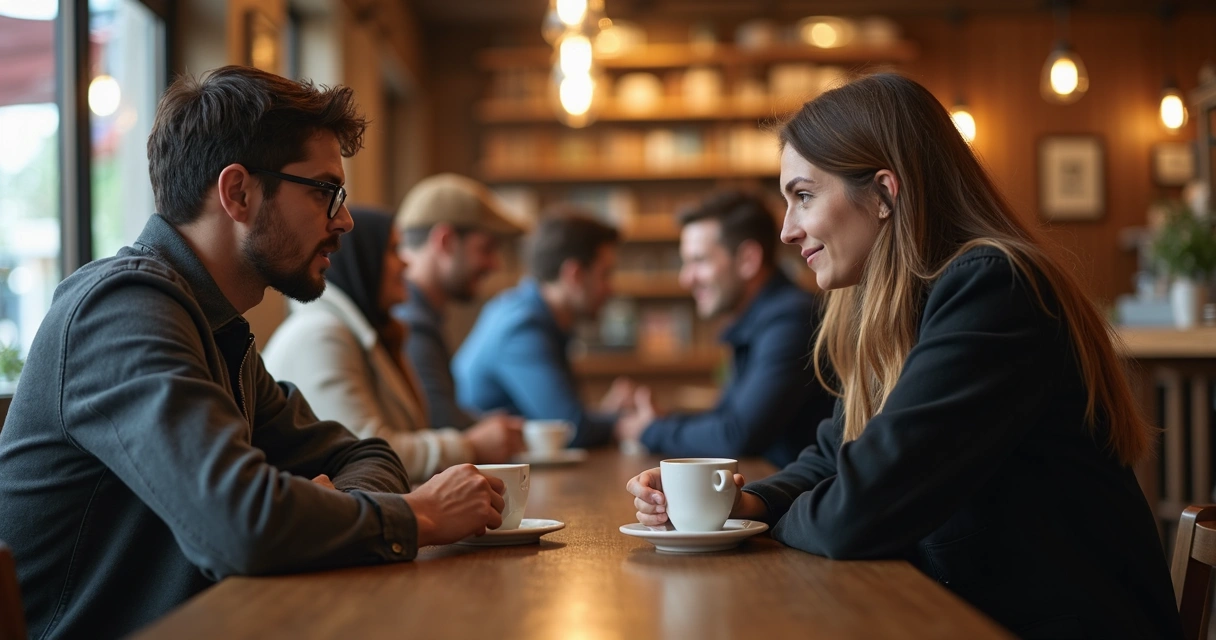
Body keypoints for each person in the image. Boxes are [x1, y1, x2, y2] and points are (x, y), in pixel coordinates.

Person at [625, 73, 1182, 638]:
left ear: (885, 193)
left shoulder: (993, 287)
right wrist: (741, 506)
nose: (788, 230)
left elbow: (856, 513)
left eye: (804, 195)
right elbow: (830, 458)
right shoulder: (894, 305)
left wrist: (775, 517)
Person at [0, 66, 505, 640]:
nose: (342, 219)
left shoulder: (218, 329)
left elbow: (364, 453)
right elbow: (243, 525)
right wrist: (422, 514)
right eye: (324, 192)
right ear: (238, 192)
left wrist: (324, 508)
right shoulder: (120, 310)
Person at [262, 207, 524, 483]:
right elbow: (363, 451)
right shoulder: (320, 334)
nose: (405, 264)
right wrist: (471, 446)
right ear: (365, 261)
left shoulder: (375, 334)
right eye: (394, 250)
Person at [614, 190, 835, 467]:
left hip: (796, 502)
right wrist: (663, 422)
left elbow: (738, 435)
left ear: (748, 260)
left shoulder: (791, 319)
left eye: (699, 261)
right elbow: (726, 418)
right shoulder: (759, 319)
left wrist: (650, 430)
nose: (685, 279)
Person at [452, 209, 638, 448]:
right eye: (605, 275)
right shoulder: (521, 327)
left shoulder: (527, 313)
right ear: (575, 275)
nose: (611, 289)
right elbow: (570, 429)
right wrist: (630, 421)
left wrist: (605, 415)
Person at [395, 174, 523, 430]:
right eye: (486, 249)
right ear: (446, 241)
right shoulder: (409, 321)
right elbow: (441, 423)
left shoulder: (418, 314)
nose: (494, 264)